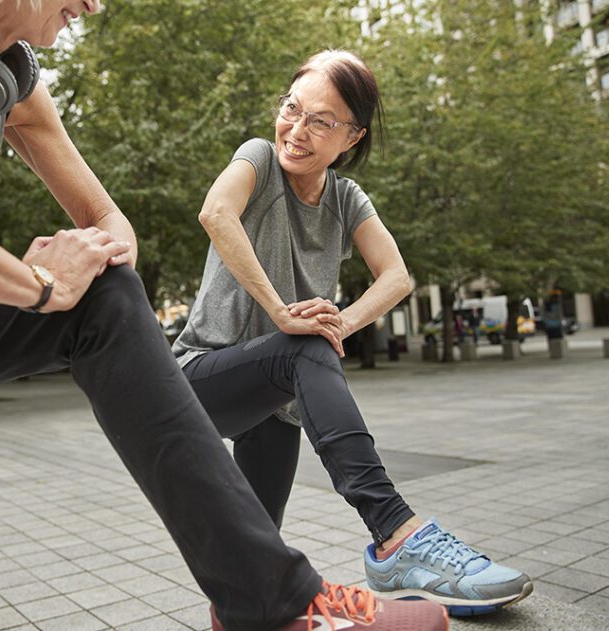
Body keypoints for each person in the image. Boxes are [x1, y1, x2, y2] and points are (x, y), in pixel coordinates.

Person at [0, 2, 449, 630]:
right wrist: (38, 285)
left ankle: (268, 599)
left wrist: (84, 261)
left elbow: (110, 224)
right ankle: (273, 599)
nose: (97, 6)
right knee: (95, 303)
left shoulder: (13, 83)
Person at [173, 50, 532, 617]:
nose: (298, 129)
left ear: (352, 136)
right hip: (202, 376)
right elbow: (216, 212)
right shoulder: (259, 159)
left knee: (253, 552)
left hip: (276, 398)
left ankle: (253, 612)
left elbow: (396, 277)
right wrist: (284, 312)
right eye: (293, 109)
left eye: (322, 121)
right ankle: (396, 533)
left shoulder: (344, 199)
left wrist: (339, 321)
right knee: (304, 345)